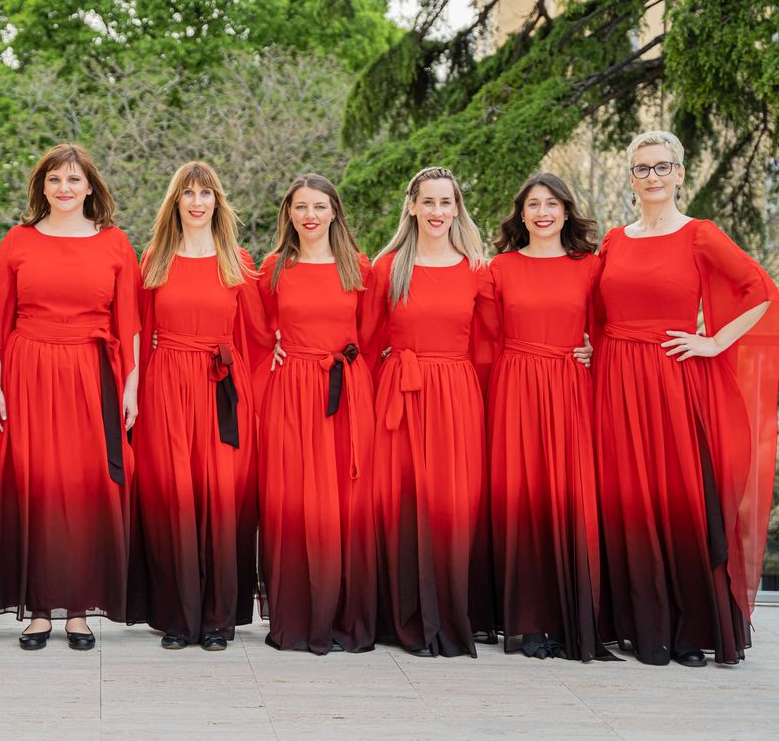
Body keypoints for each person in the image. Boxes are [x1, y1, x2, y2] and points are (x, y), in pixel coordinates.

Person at [594, 130, 779, 666]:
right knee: (627, 500)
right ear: (631, 178)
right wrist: (590, 346)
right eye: (643, 168)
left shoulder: (699, 234)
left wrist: (715, 341)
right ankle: (637, 624)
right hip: (616, 382)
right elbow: (598, 310)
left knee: (679, 502)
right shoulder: (614, 239)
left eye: (663, 166)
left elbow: (761, 293)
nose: (653, 176)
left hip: (671, 382)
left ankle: (685, 631)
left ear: (680, 173)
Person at [0, 143, 140, 652]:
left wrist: (131, 387)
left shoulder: (115, 243)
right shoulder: (18, 240)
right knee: (35, 483)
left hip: (90, 374)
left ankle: (77, 610)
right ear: (42, 188)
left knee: (82, 485)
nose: (64, 188)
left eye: (74, 179)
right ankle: (37, 611)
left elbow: (129, 322)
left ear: (90, 187)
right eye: (54, 179)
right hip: (28, 370)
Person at [131, 161, 273, 651]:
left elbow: (257, 336)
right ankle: (178, 617)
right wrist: (137, 397)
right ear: (175, 202)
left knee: (220, 501)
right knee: (175, 499)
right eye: (187, 193)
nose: (197, 202)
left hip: (221, 392)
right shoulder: (155, 259)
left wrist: (278, 355)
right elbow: (139, 331)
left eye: (205, 193)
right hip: (167, 387)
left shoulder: (237, 260)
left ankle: (217, 619)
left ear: (217, 201)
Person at [361, 166, 498, 657]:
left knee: (451, 505)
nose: (438, 212)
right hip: (399, 394)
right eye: (429, 202)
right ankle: (405, 622)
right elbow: (364, 341)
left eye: (446, 202)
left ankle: (451, 618)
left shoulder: (477, 269)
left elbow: (494, 342)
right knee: (400, 505)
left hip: (457, 397)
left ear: (457, 208)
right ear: (412, 206)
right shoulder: (387, 268)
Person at [487, 173, 606, 661]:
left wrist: (595, 351)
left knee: (567, 497)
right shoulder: (498, 268)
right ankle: (527, 621)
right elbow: (480, 333)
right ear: (521, 214)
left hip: (568, 387)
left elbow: (606, 327)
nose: (543, 212)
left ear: (566, 211)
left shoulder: (591, 267)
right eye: (533, 204)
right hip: (514, 388)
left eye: (552, 203)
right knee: (522, 499)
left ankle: (570, 617)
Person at [256, 174, 376, 655]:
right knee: (294, 500)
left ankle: (343, 618)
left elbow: (374, 332)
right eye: (301, 207)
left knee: (345, 504)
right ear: (288, 213)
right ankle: (296, 619)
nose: (310, 215)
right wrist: (272, 351)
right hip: (291, 392)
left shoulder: (358, 267)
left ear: (334, 212)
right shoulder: (273, 269)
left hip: (346, 393)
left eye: (319, 206)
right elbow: (257, 329)